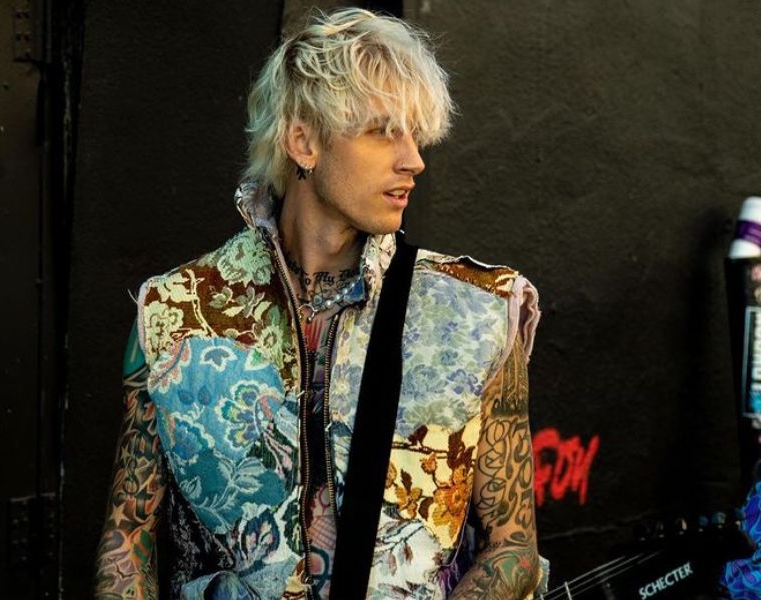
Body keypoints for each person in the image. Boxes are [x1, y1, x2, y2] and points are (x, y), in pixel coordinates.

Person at [94, 7, 545, 599]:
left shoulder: (477, 312)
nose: (414, 159)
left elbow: (513, 547)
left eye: (415, 133)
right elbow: (127, 541)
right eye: (383, 130)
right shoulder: (175, 311)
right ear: (304, 141)